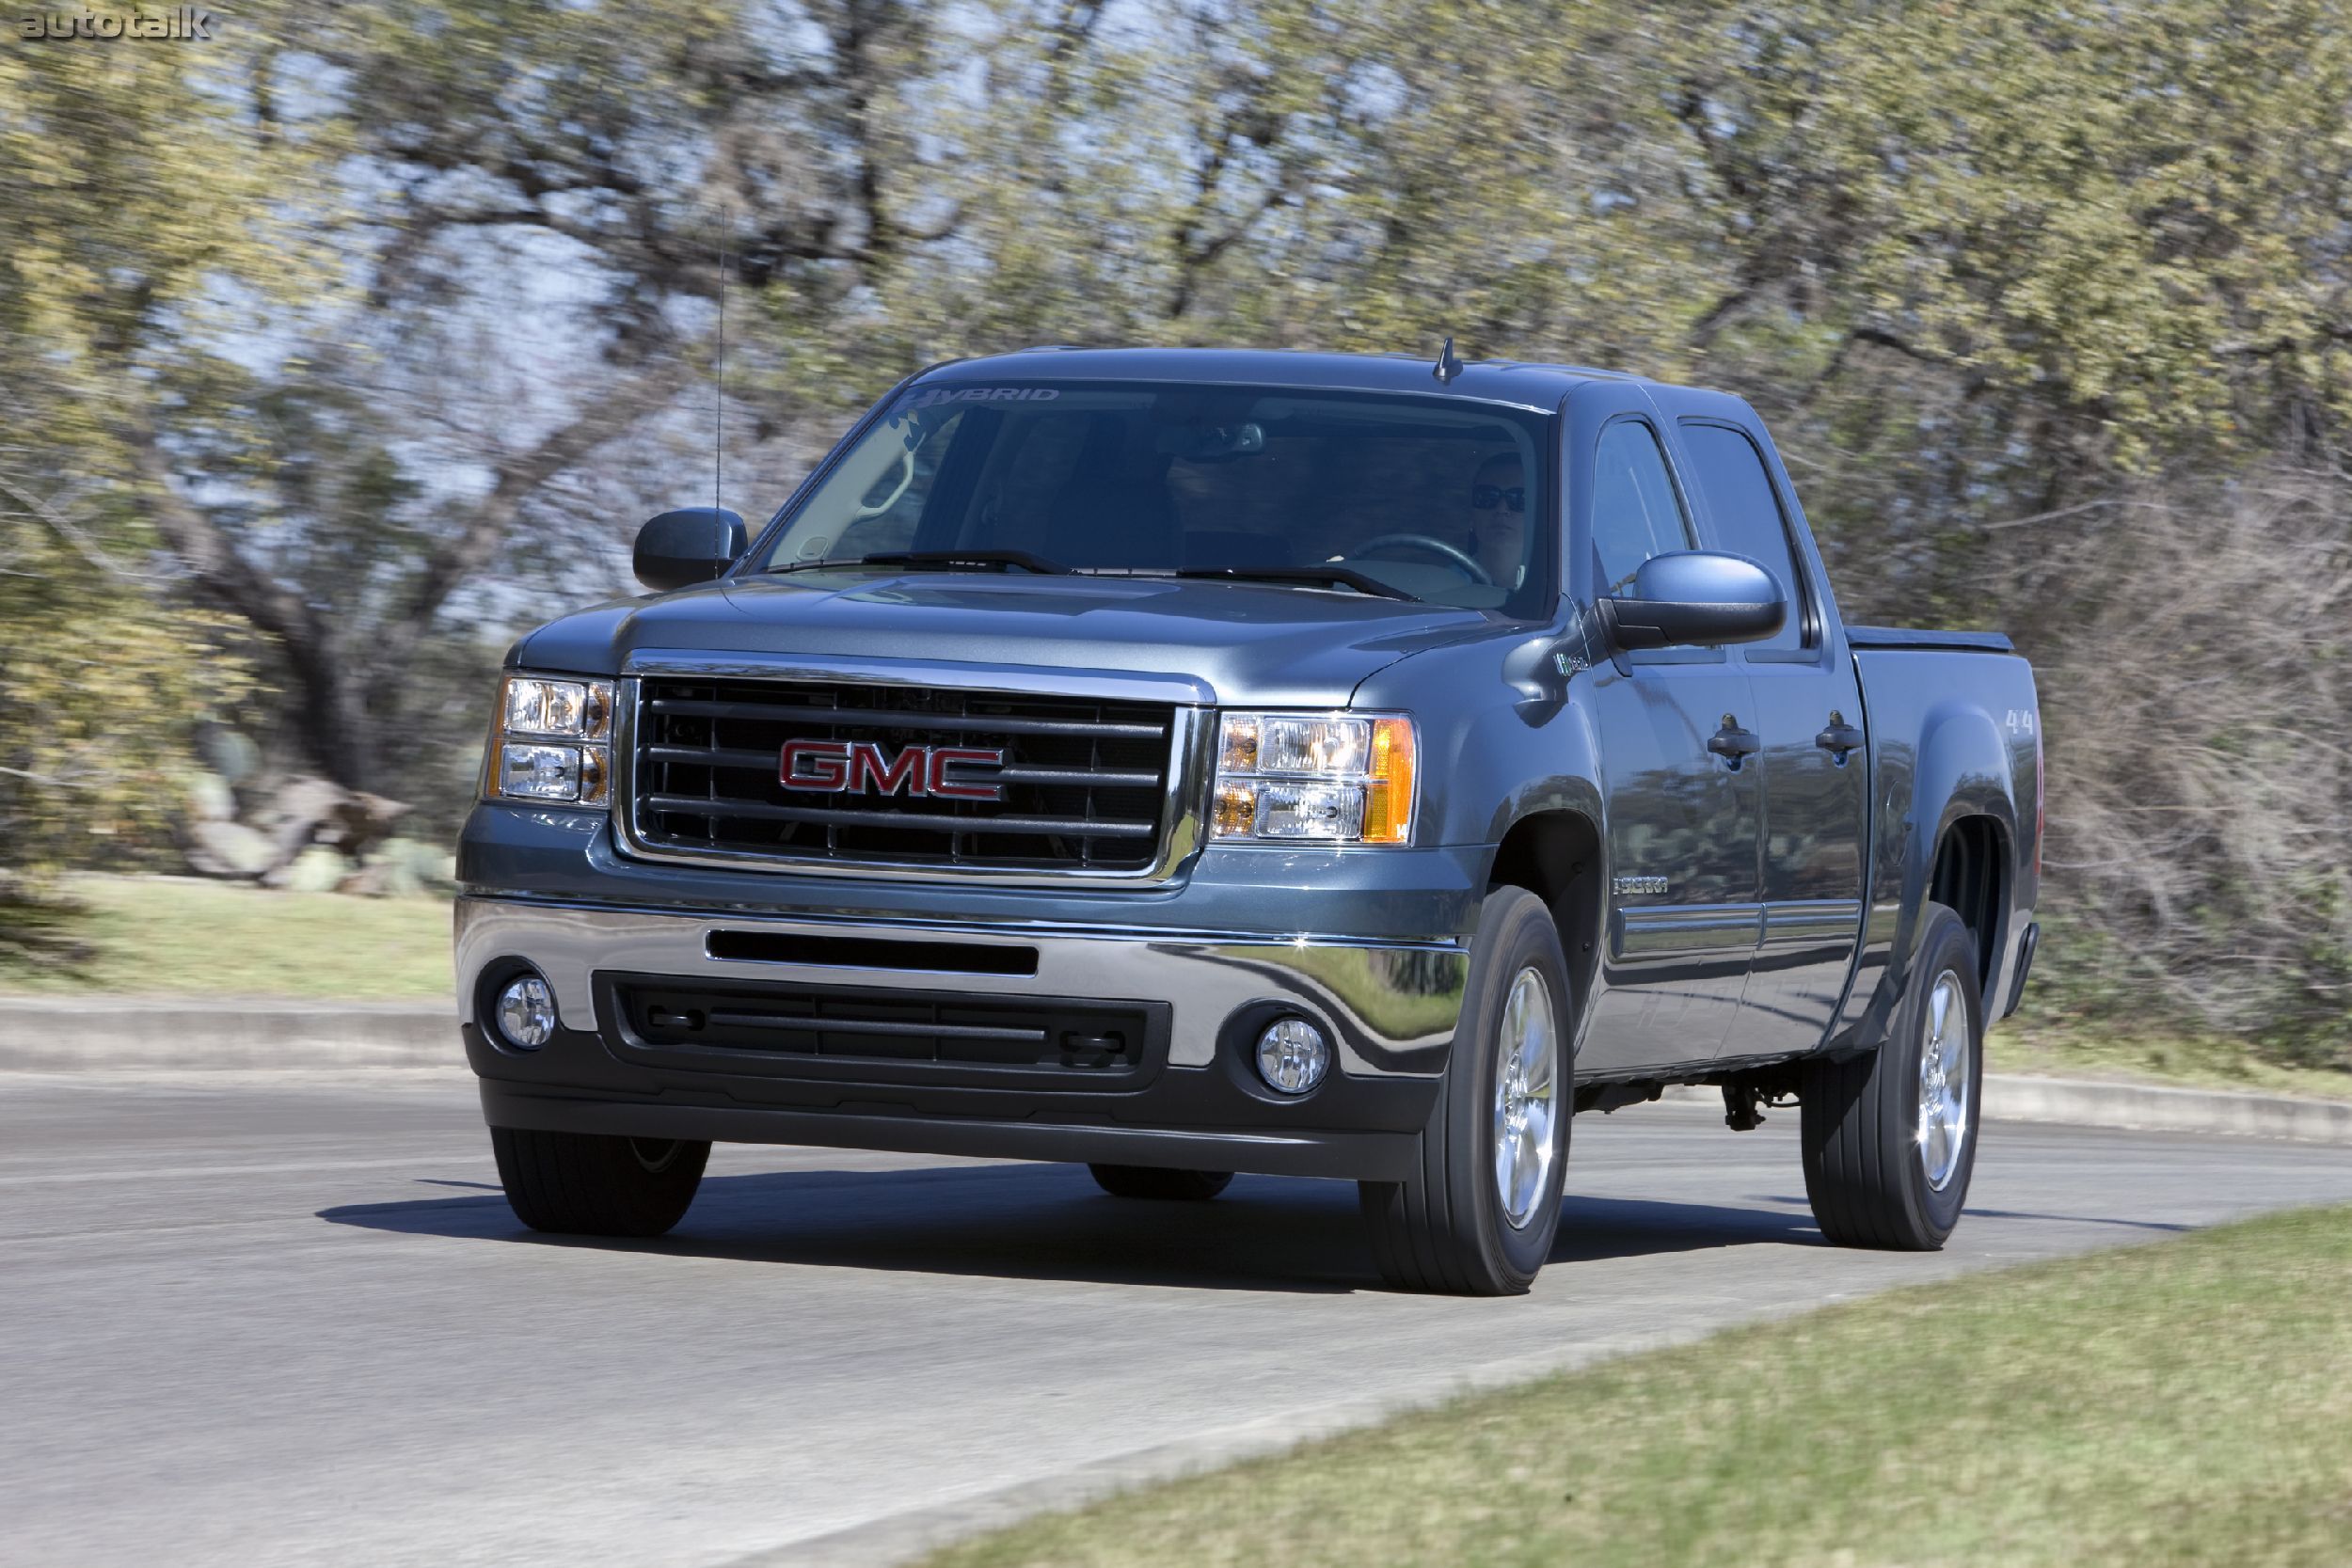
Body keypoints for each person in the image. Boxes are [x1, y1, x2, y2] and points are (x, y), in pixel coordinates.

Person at [1465, 451, 1527, 587]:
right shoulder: (1439, 588)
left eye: (1519, 498)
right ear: (1471, 514)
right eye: (1487, 497)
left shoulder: (1557, 592)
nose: (1501, 509)